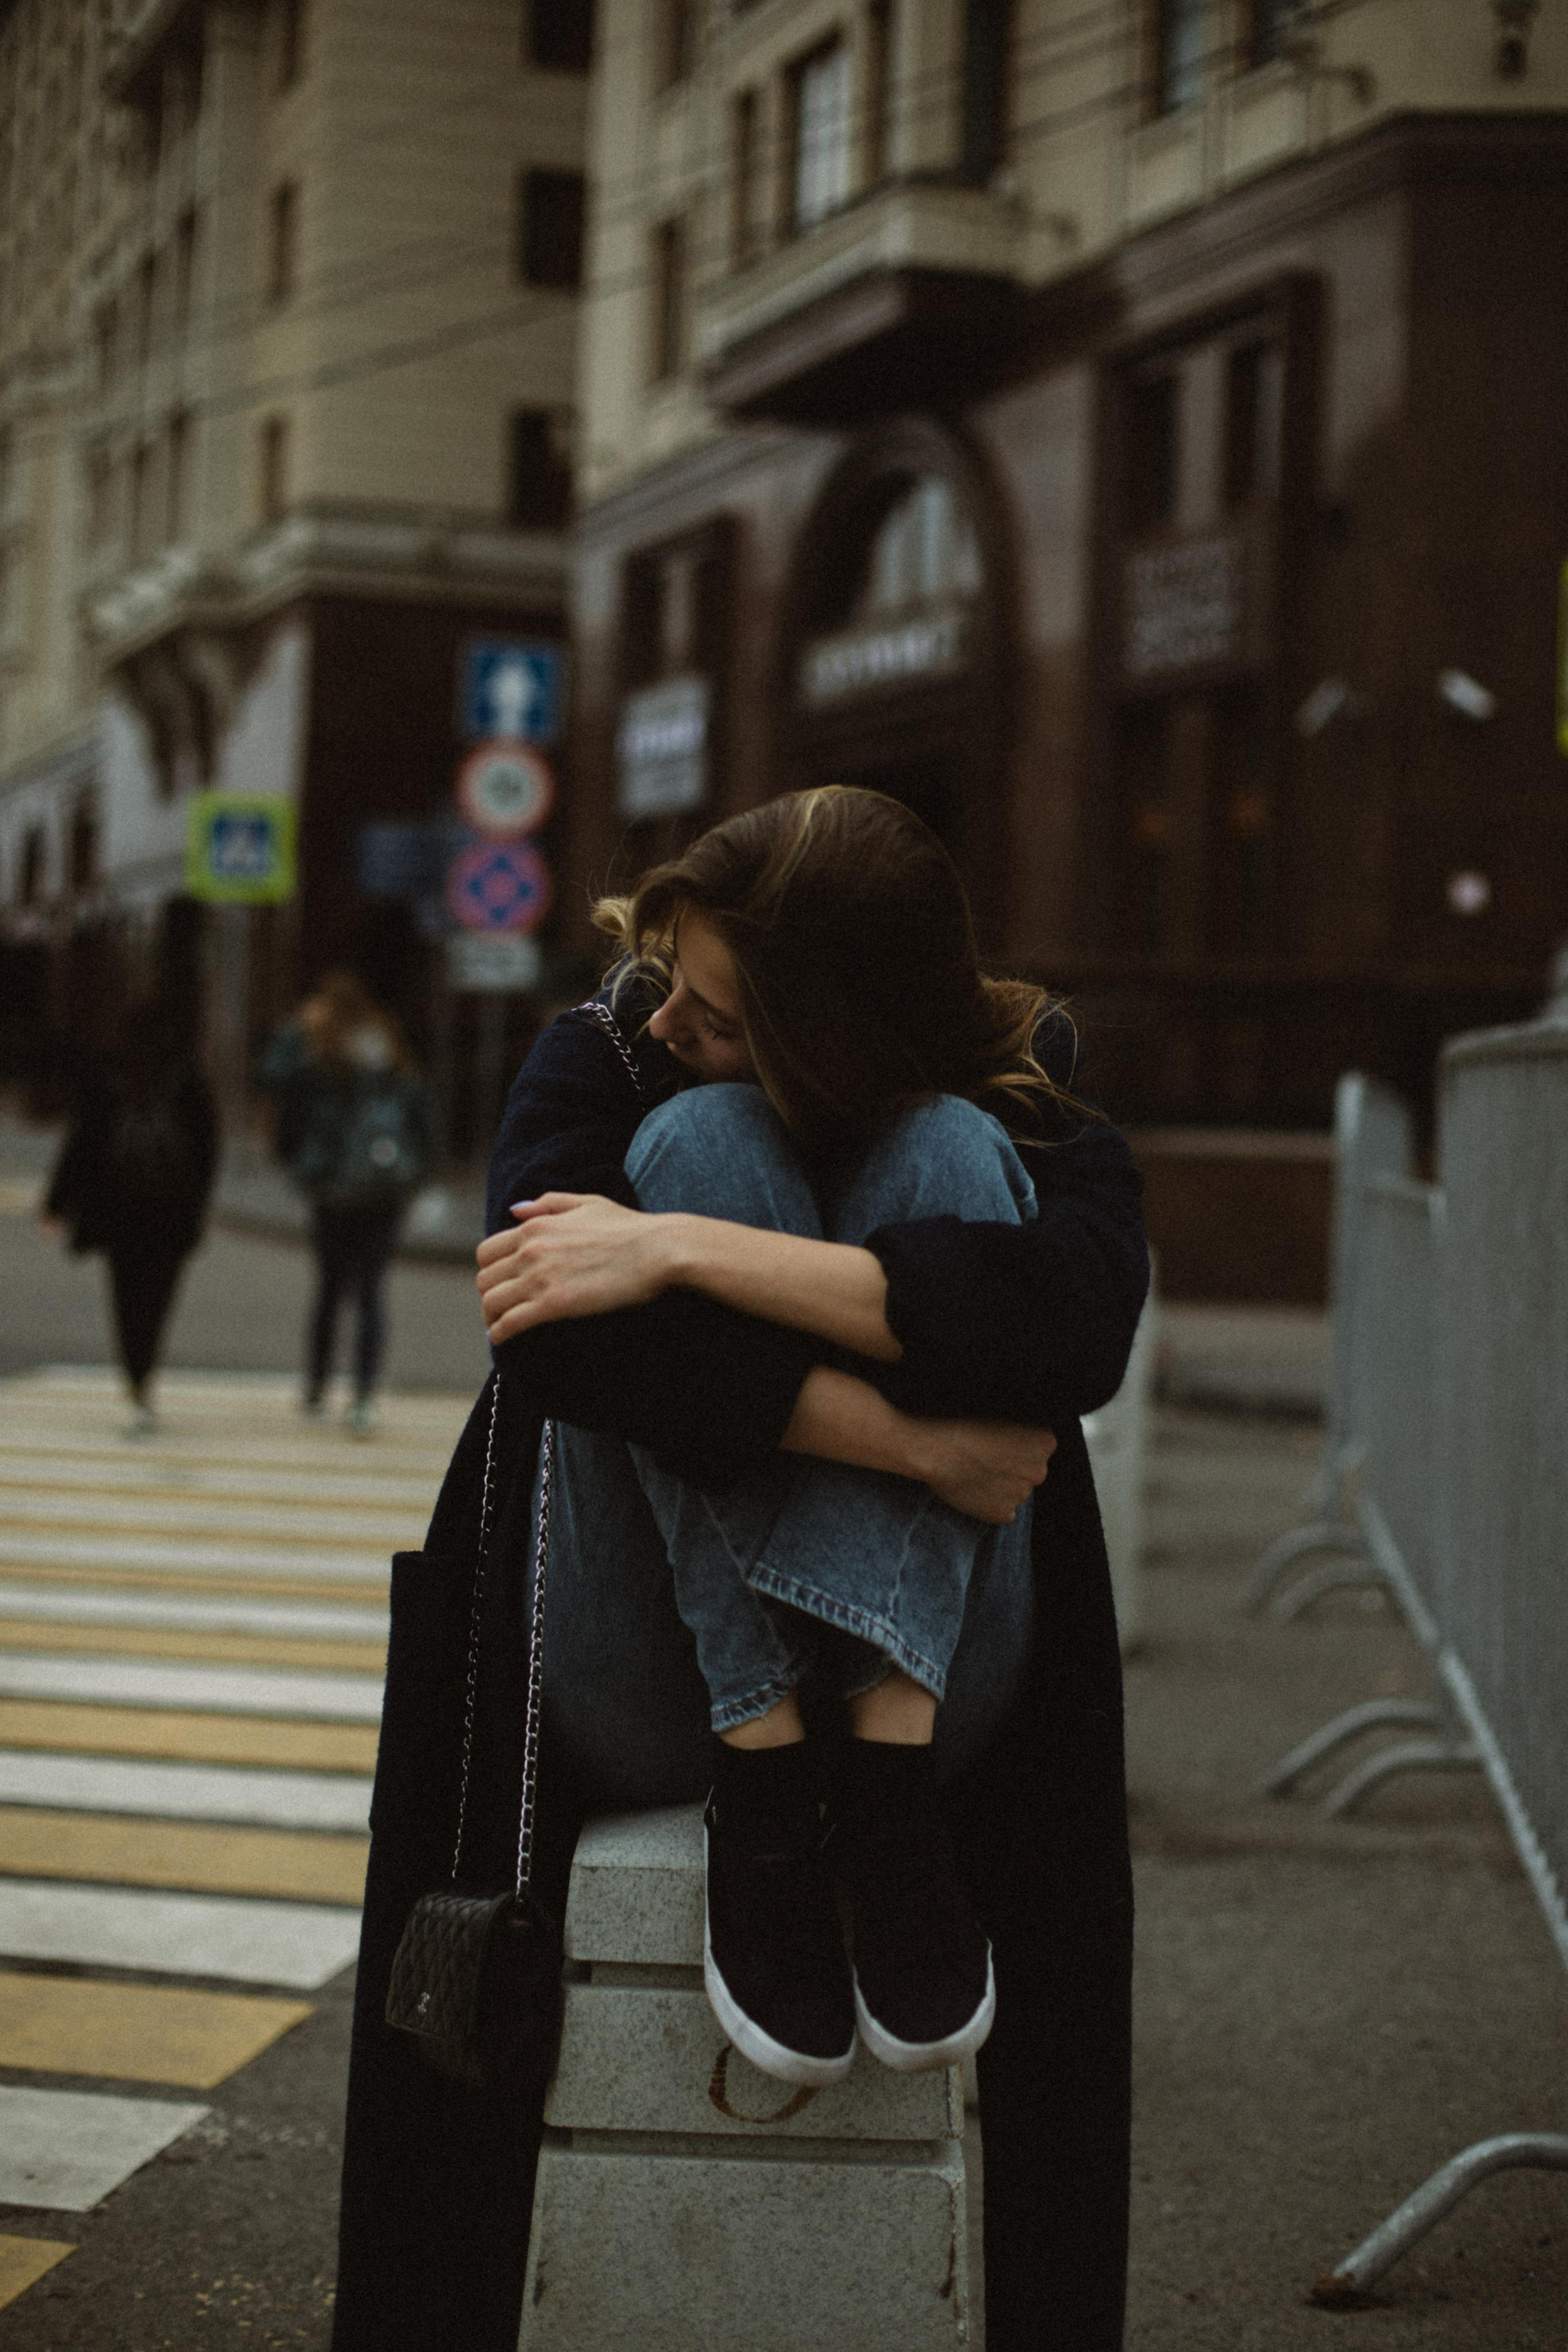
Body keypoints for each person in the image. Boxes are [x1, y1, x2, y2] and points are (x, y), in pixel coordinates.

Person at [333, 788, 1148, 2351]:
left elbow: (1070, 1330)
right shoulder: (618, 1050)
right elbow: (553, 1323)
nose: (665, 1012)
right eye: (674, 980)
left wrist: (683, 1253)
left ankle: (883, 1792)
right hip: (657, 1687)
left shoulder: (1004, 1087)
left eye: (719, 1010)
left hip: (938, 1685)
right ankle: (770, 1775)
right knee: (692, 1139)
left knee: (945, 1150)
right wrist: (915, 1445)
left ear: (832, 1036)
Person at [258, 971, 433, 1436]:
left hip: (335, 1188)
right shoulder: (388, 1044)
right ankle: (362, 1395)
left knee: (331, 1289)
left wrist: (298, 1029)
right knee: (372, 1291)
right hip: (385, 1188)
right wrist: (421, 1174)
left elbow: (274, 1079)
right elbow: (419, 1109)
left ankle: (317, 1384)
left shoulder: (322, 1049)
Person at [43, 999, 217, 1436]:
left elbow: (80, 1146)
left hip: (117, 1209)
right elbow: (207, 1151)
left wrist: (56, 1204)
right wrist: (199, 1202)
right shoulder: (187, 1081)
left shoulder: (108, 1078)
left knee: (124, 1297)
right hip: (172, 1212)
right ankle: (146, 1374)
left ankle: (136, 1377)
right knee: (158, 1299)